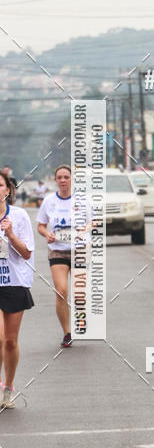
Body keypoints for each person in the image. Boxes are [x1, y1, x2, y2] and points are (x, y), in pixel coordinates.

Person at [0, 171, 35, 409]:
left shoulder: (20, 216)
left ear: (8, 190)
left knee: (10, 342)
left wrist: (11, 234)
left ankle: (8, 387)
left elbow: (26, 253)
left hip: (14, 282)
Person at [37, 165, 74, 348]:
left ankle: (81, 321)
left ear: (71, 179)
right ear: (55, 180)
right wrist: (47, 234)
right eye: (59, 177)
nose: (63, 180)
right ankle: (67, 332)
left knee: (81, 294)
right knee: (61, 290)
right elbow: (41, 225)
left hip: (80, 250)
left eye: (66, 177)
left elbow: (95, 222)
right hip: (57, 249)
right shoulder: (49, 201)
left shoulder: (83, 201)